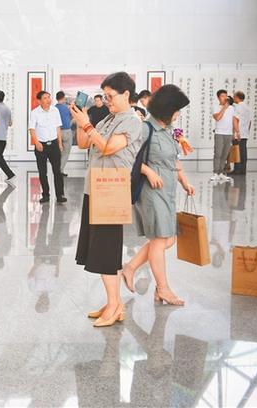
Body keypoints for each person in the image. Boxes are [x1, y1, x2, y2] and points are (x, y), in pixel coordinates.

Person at [70, 72, 143, 328]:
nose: (107, 100)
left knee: (106, 251)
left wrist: (89, 126)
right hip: (96, 188)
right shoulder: (108, 118)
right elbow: (84, 144)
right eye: (105, 96)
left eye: (111, 96)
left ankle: (114, 305)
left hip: (111, 191)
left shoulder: (132, 121)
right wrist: (81, 121)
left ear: (126, 94)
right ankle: (114, 303)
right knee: (100, 249)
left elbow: (108, 147)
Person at [121, 85, 195, 306]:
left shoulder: (169, 130)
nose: (178, 114)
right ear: (166, 109)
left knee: (167, 239)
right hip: (151, 191)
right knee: (160, 240)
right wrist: (148, 171)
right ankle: (163, 289)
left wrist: (184, 181)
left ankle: (130, 267)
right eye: (176, 110)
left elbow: (173, 159)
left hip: (168, 189)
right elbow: (128, 157)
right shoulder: (145, 129)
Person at [29, 90, 66, 204]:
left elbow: (58, 128)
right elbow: (32, 129)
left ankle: (60, 195)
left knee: (57, 171)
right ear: (39, 101)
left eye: (49, 97)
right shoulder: (34, 113)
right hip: (41, 145)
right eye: (45, 98)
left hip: (54, 144)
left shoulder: (55, 110)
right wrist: (37, 143)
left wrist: (60, 143)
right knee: (42, 172)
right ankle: (45, 195)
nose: (48, 100)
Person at [211, 89, 237, 183]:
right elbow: (217, 118)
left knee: (225, 154)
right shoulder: (215, 107)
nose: (225, 98)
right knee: (218, 153)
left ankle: (221, 172)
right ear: (218, 98)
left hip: (229, 134)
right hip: (219, 133)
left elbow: (234, 120)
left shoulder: (232, 108)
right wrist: (224, 108)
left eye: (226, 96)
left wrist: (236, 132)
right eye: (222, 96)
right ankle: (215, 173)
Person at [231, 91, 251, 175]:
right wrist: (247, 131)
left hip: (238, 133)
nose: (233, 98)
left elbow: (235, 120)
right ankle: (243, 170)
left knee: (237, 152)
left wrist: (237, 132)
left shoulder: (238, 107)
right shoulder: (247, 107)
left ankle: (237, 170)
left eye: (234, 97)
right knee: (243, 152)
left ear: (237, 97)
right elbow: (250, 122)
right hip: (245, 133)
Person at [55, 91, 73, 176]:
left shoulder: (54, 108)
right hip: (66, 132)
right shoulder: (66, 108)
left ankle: (57, 170)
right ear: (63, 98)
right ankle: (60, 171)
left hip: (56, 132)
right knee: (65, 153)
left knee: (58, 153)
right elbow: (73, 116)